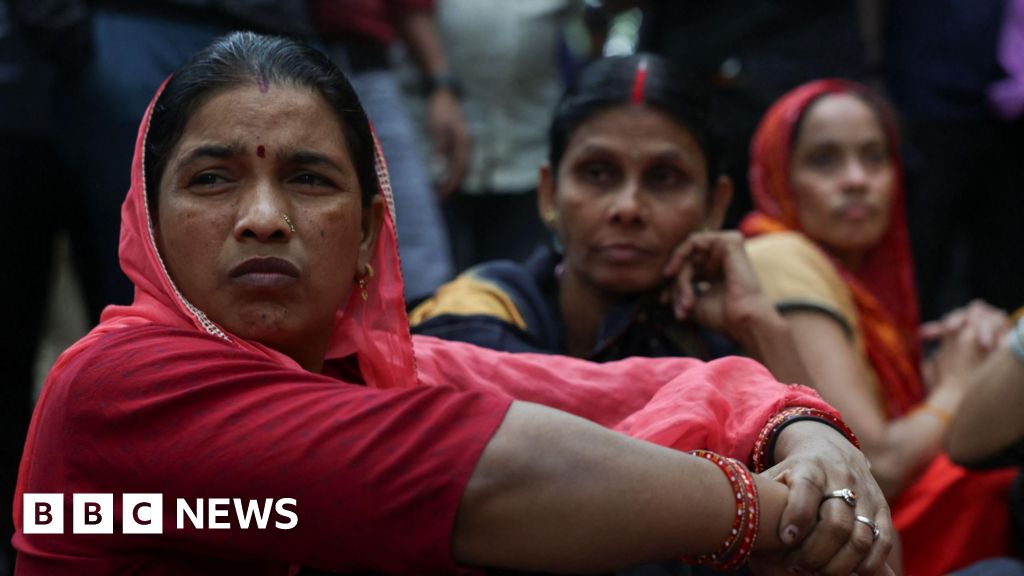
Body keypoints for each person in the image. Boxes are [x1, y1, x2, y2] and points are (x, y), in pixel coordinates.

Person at [13, 34, 894, 574]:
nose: (264, 218)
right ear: (147, 221)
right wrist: (778, 514)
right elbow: (501, 478)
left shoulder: (372, 367)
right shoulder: (118, 387)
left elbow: (635, 388)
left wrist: (800, 430)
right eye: (212, 179)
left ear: (370, 236)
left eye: (310, 180)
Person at [741, 79, 1017, 575]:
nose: (856, 179)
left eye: (874, 158)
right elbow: (879, 463)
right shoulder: (779, 253)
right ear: (779, 175)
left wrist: (976, 346)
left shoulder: (863, 280)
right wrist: (959, 384)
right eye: (824, 160)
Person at [411, 53, 810, 390]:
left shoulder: (719, 337)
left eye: (665, 178)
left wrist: (758, 325)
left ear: (714, 207)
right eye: (598, 173)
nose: (628, 207)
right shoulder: (472, 320)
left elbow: (828, 461)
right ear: (549, 192)